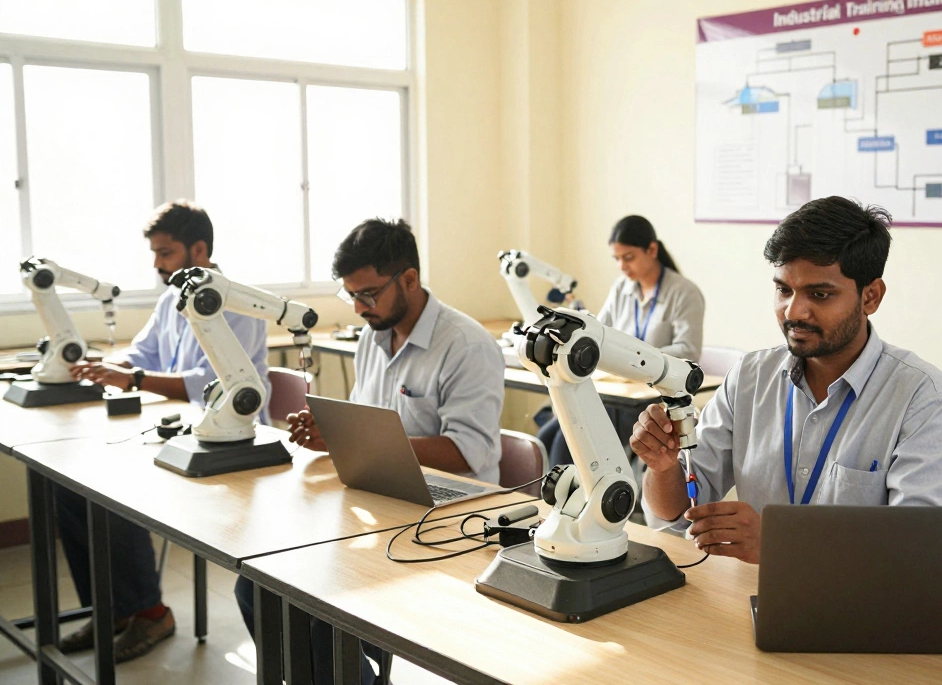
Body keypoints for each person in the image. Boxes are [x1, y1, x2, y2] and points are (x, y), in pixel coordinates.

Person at [233, 217, 505, 685]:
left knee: (320, 604)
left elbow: (468, 451)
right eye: (351, 295)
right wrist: (331, 434)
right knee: (256, 586)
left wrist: (364, 443)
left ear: (410, 280)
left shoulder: (465, 345)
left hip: (452, 512)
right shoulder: (371, 336)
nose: (358, 307)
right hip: (381, 499)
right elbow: (366, 421)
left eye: (368, 294)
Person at [632, 196, 942, 563]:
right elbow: (676, 514)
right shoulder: (749, 379)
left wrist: (784, 544)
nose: (794, 311)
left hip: (865, 612)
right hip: (747, 600)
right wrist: (662, 467)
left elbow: (923, 554)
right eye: (783, 290)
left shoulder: (925, 401)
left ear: (870, 296)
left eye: (820, 294)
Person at [59, 201, 270, 662]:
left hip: (230, 441)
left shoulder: (235, 301)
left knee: (114, 489)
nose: (157, 264)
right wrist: (105, 368)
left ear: (199, 248)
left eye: (166, 252)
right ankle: (114, 608)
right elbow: (142, 355)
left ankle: (151, 613)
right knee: (69, 488)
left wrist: (131, 380)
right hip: (177, 432)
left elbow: (206, 383)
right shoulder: (170, 298)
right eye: (155, 254)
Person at [540, 215, 705, 466]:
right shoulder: (622, 288)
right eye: (616, 259)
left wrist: (635, 360)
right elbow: (598, 332)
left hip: (650, 399)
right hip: (616, 393)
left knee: (568, 443)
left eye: (628, 257)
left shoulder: (684, 293)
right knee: (548, 434)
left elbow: (688, 351)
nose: (622, 266)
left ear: (652, 250)